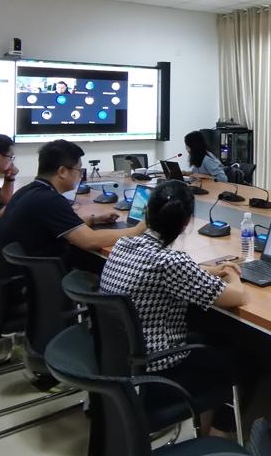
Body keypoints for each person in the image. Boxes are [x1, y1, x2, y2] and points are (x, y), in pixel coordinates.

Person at [100, 179, 248, 436]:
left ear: (148, 214)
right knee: (241, 357)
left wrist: (209, 271)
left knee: (208, 334)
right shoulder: (170, 262)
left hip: (121, 361)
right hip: (158, 372)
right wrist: (233, 273)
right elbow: (238, 297)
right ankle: (214, 435)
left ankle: (206, 427)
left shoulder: (125, 243)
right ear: (186, 222)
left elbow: (169, 272)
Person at [0, 139, 143, 270]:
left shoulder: (27, 191)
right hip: (41, 275)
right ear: (62, 171)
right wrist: (137, 230)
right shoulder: (49, 200)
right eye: (79, 170)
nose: (81, 175)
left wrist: (93, 220)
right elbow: (89, 240)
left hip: (22, 271)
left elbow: (56, 225)